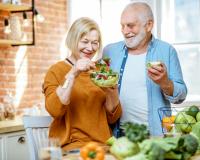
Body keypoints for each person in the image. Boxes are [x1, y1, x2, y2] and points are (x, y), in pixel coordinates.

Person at [103, 2, 187, 136]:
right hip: (118, 135)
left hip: (155, 136)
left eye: (130, 25)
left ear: (148, 25)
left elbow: (181, 96)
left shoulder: (167, 51)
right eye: (122, 26)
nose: (125, 31)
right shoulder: (109, 51)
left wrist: (165, 82)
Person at [43, 17, 122, 151]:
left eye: (95, 43)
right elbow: (54, 110)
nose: (90, 48)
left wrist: (112, 90)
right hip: (73, 146)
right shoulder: (56, 70)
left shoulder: (101, 70)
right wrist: (73, 73)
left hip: (104, 144)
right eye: (85, 42)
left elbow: (112, 117)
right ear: (72, 40)